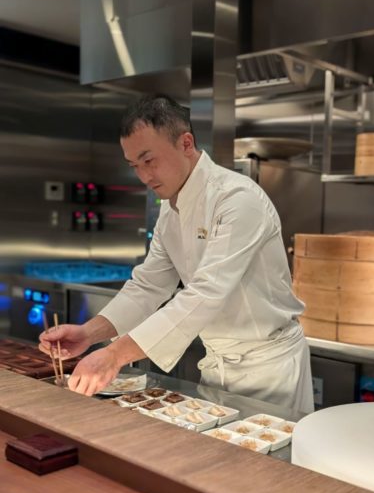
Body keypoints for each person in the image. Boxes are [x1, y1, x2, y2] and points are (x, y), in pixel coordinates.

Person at [39, 95, 314, 413]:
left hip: (270, 371)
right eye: (134, 166)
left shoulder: (238, 199)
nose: (144, 176)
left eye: (149, 160)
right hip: (217, 367)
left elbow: (206, 293)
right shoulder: (171, 211)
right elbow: (148, 286)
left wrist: (115, 355)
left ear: (186, 143)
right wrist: (89, 334)